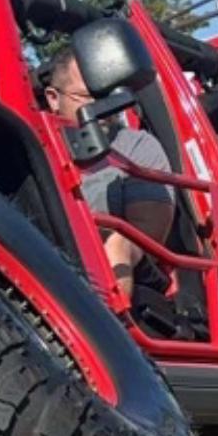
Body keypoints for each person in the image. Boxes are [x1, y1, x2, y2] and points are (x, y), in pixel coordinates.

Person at [42, 48, 176, 299]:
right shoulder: (35, 148)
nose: (103, 107)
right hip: (45, 264)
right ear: (53, 98)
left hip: (125, 276)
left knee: (116, 245)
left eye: (107, 95)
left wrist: (118, 247)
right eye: (89, 97)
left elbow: (149, 232)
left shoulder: (135, 145)